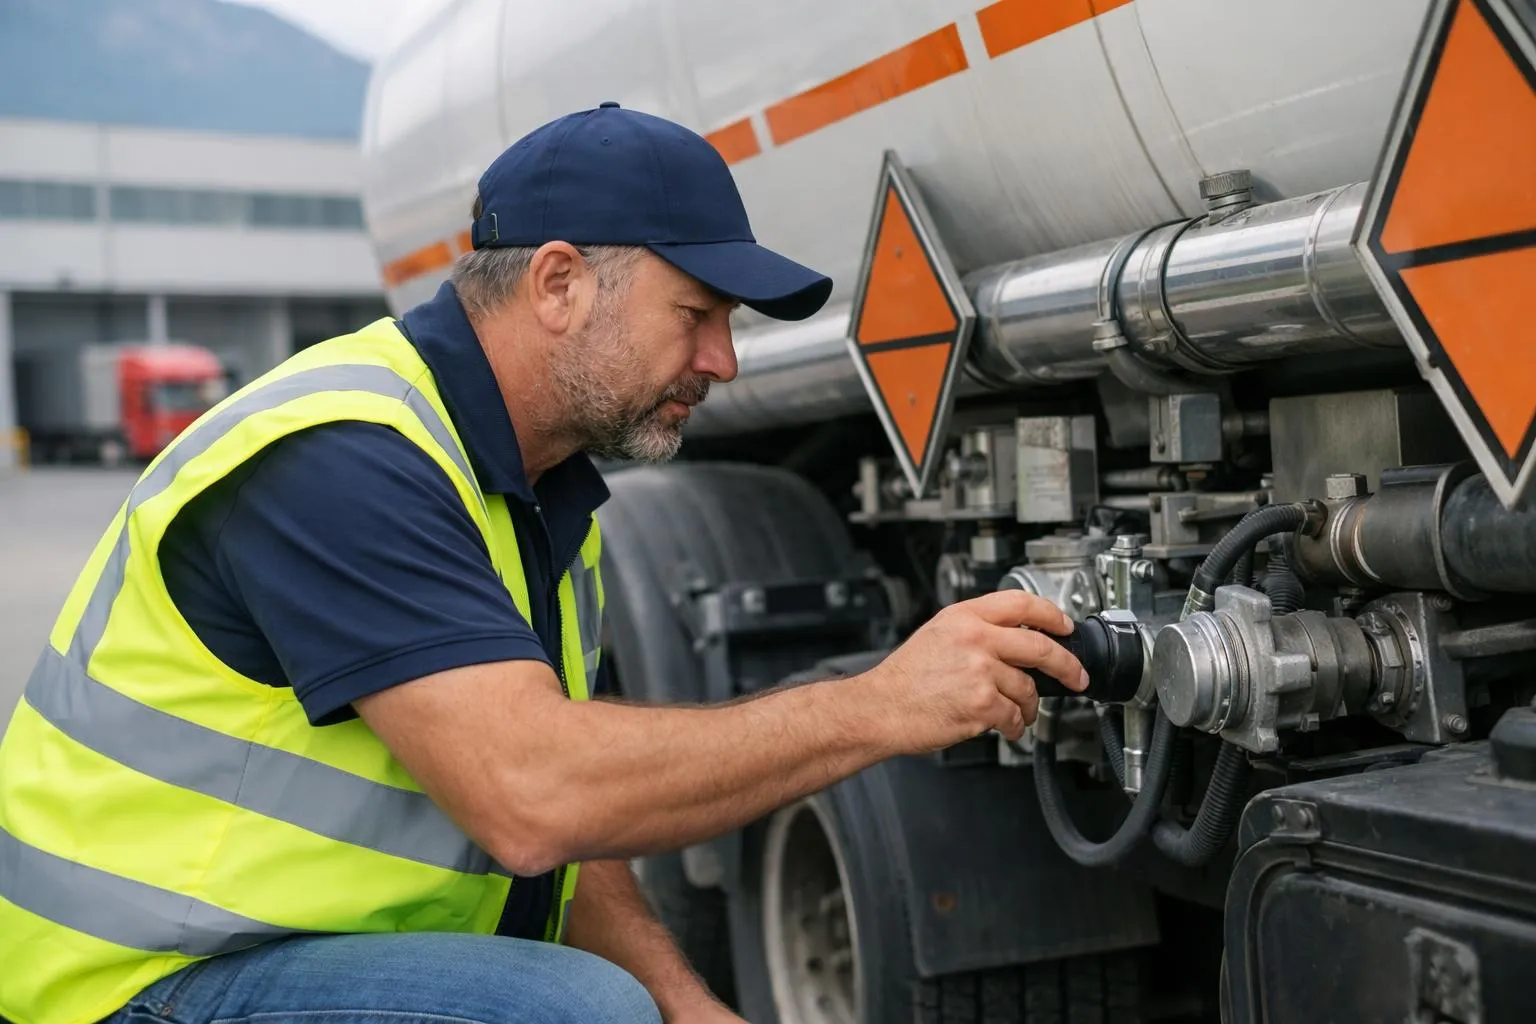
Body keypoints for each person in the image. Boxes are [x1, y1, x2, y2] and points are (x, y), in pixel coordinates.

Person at [0, 104, 1087, 1024]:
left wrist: (686, 1006)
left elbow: (569, 845)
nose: (721, 359)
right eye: (696, 314)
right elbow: (536, 795)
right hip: (136, 985)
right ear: (559, 283)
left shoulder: (534, 497)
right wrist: (881, 701)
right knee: (573, 1012)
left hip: (277, 955)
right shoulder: (343, 458)